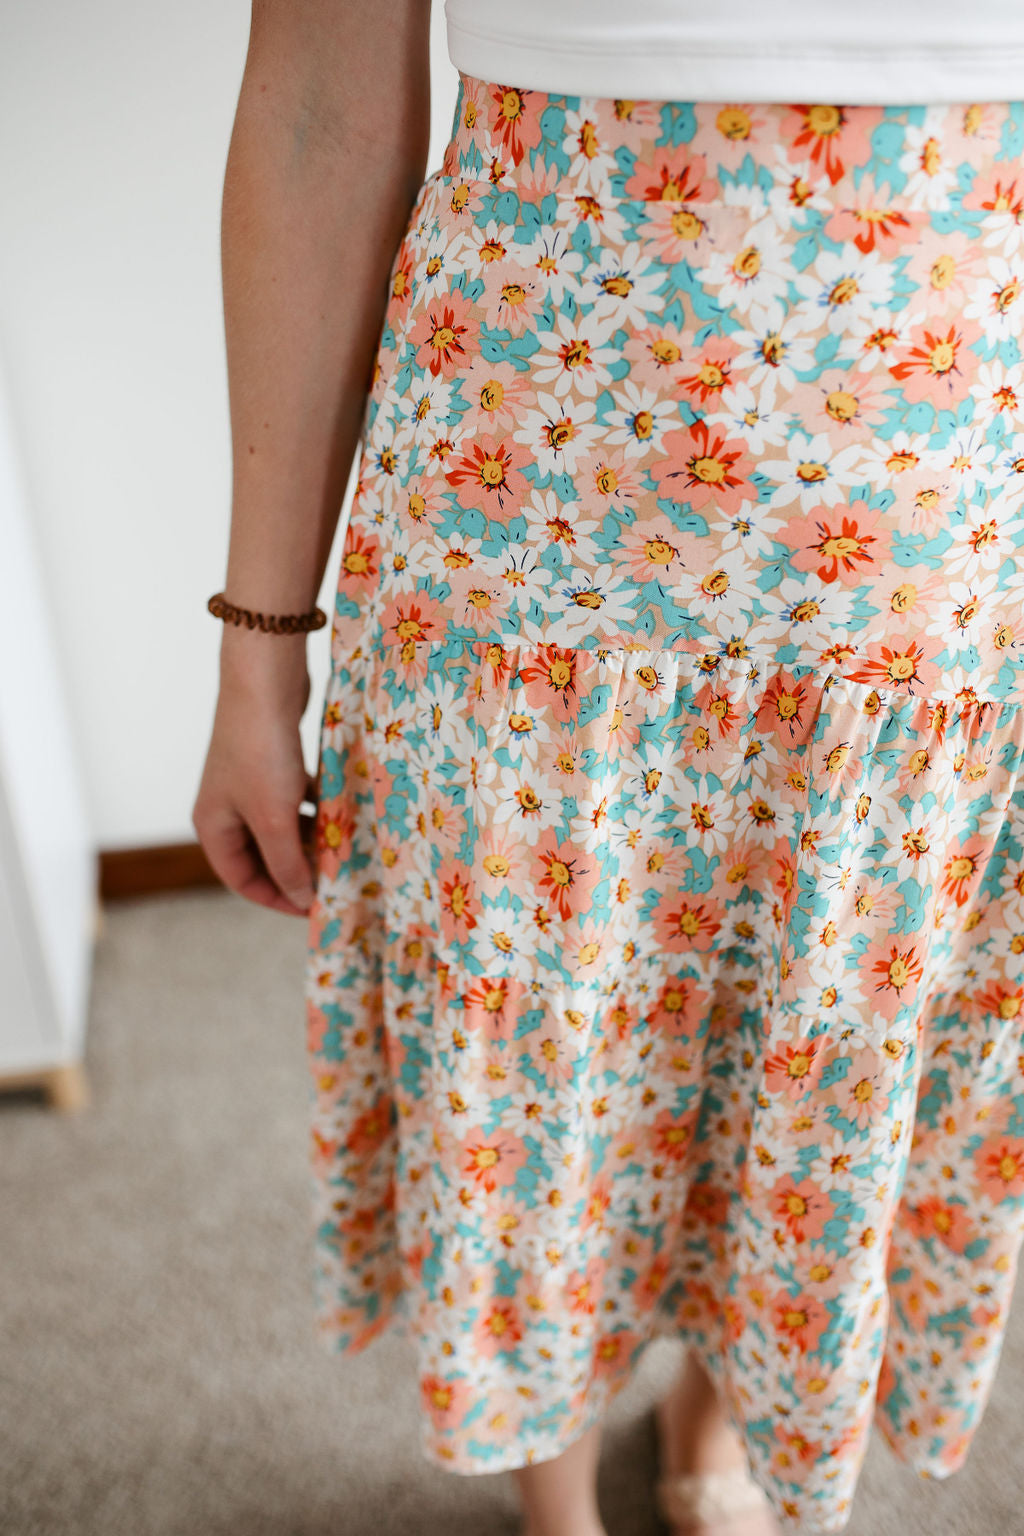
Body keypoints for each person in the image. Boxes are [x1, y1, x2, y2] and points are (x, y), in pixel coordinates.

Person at [193, 2, 1024, 1532]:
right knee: (528, 1034)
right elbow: (320, 106)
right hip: (531, 500)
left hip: (946, 526)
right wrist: (259, 648)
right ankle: (554, 1488)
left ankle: (715, 1429)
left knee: (821, 1021)